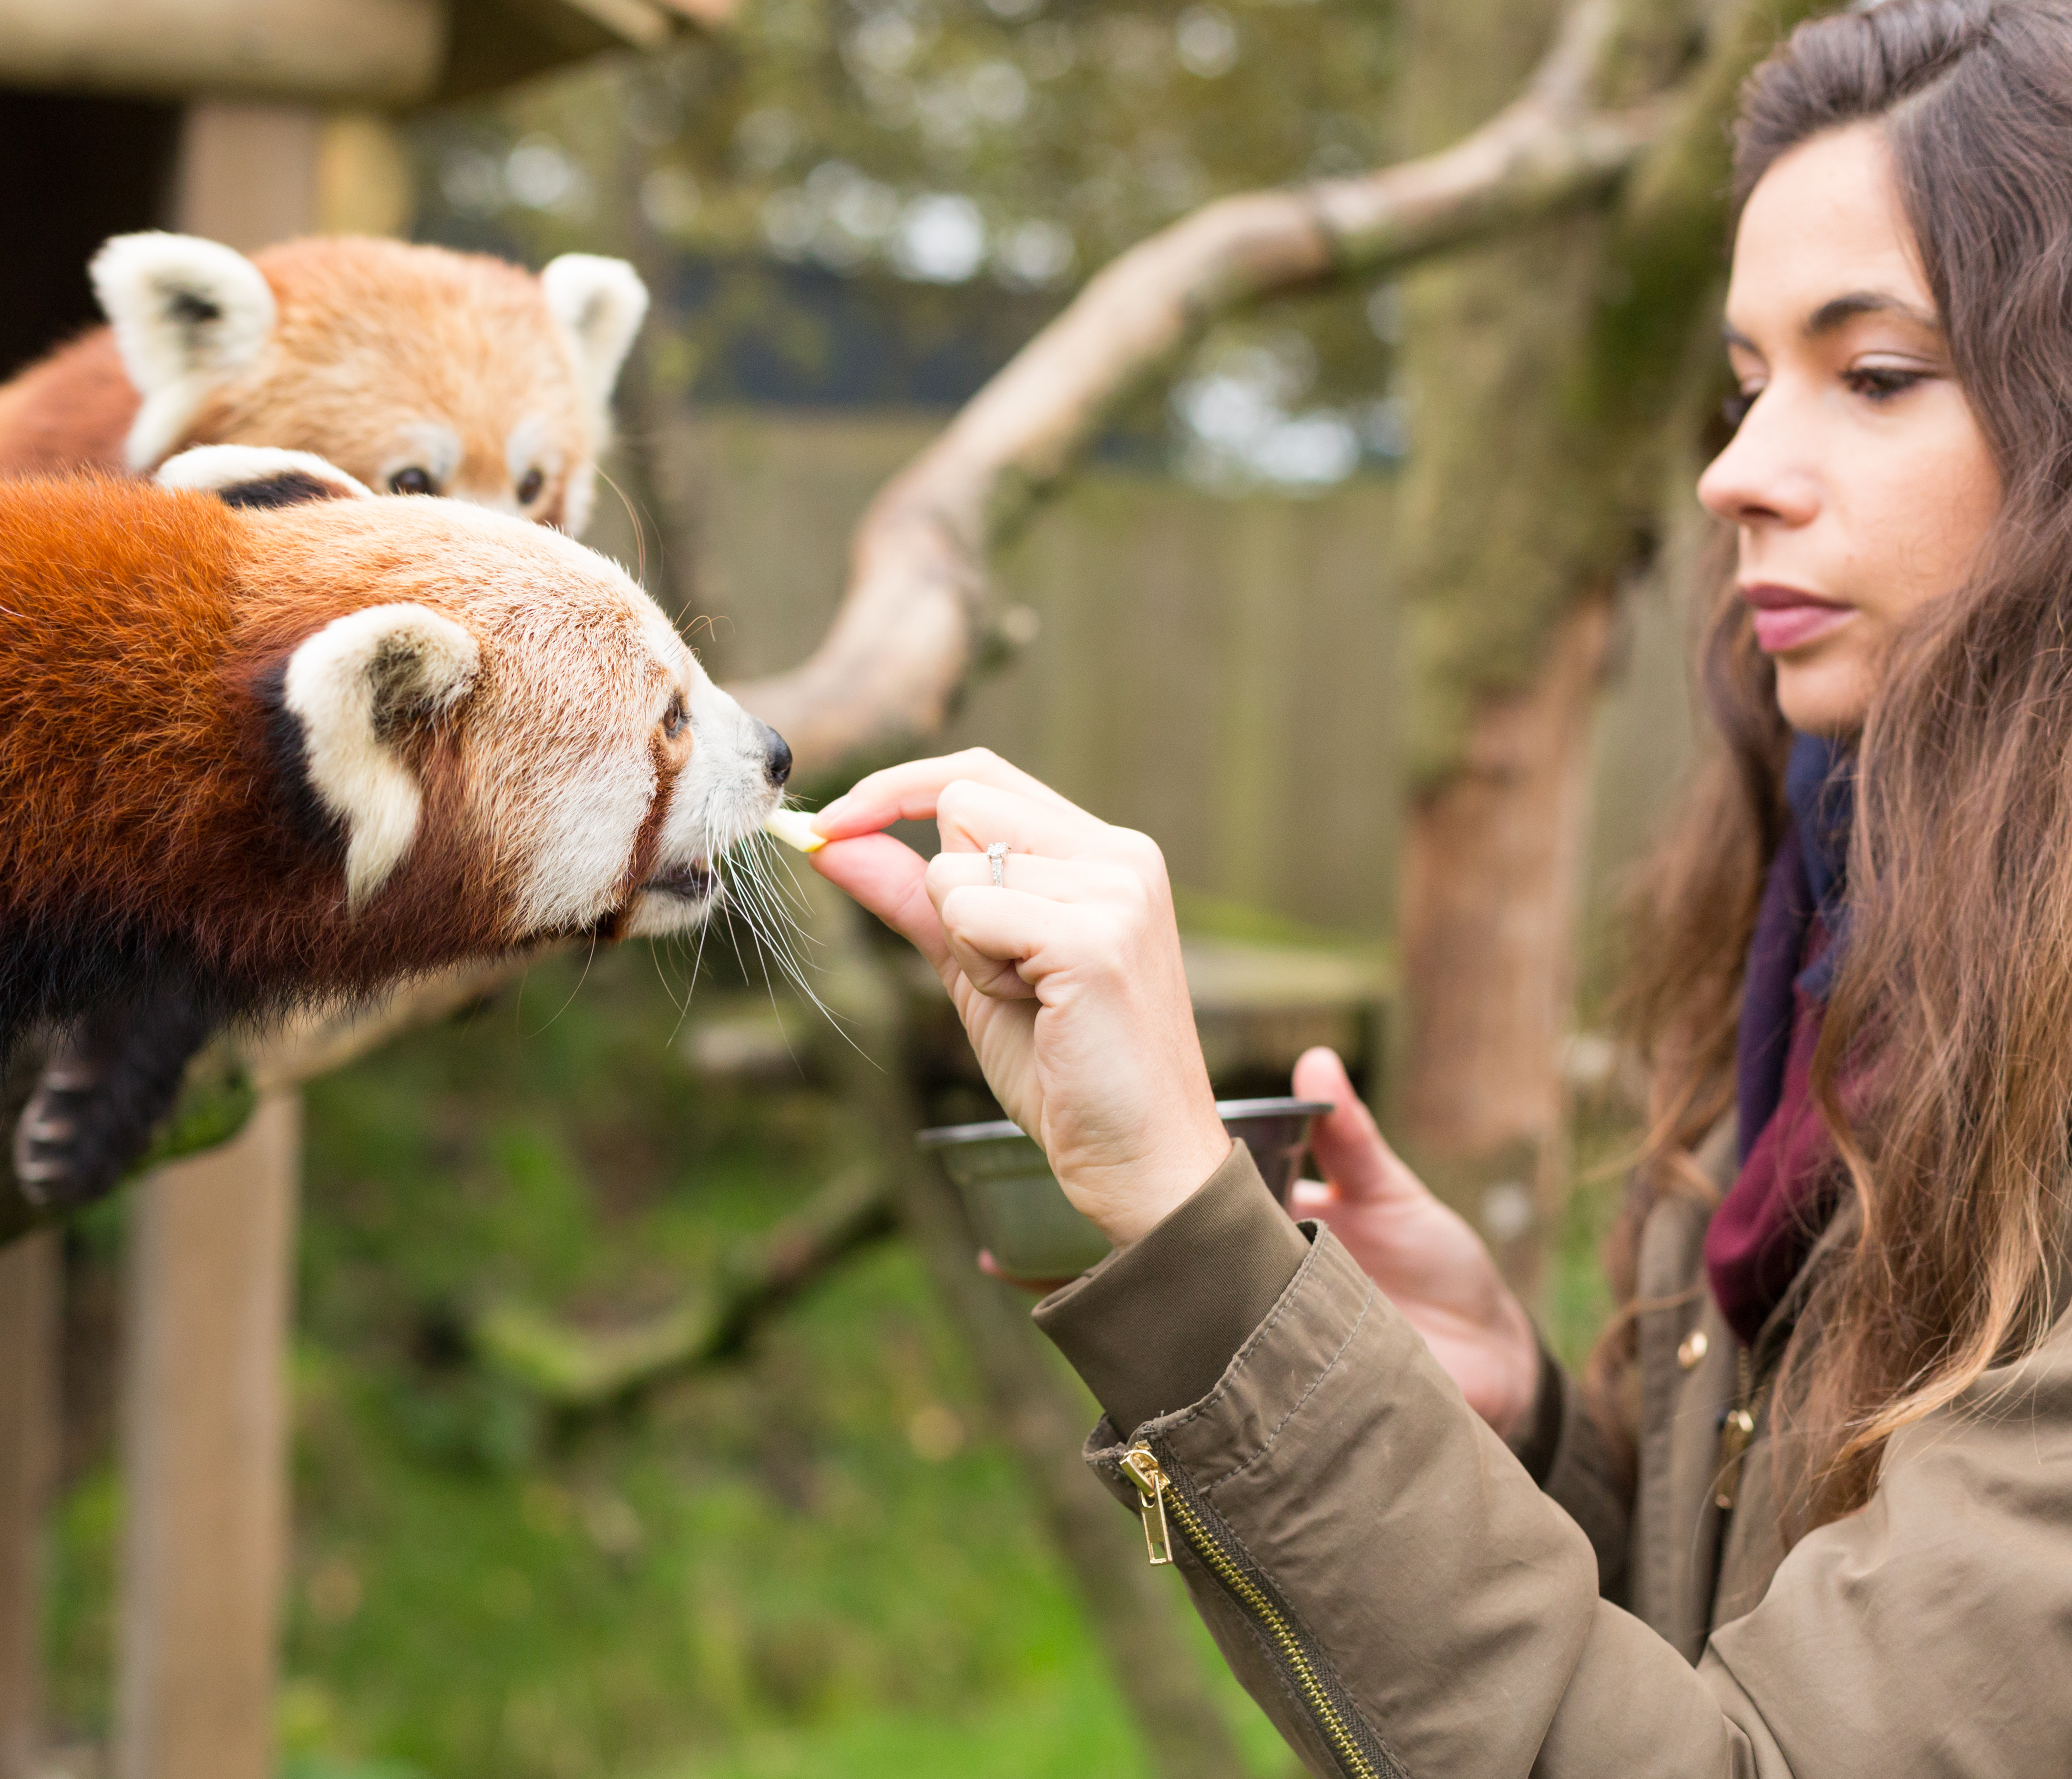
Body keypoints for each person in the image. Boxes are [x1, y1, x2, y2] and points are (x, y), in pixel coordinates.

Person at [807, 2, 2072, 1770]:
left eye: (1872, 376)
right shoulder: (1841, 929)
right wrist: (1534, 1421)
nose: (1735, 473)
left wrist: (1199, 1230)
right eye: (1743, 381)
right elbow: (1790, 1644)